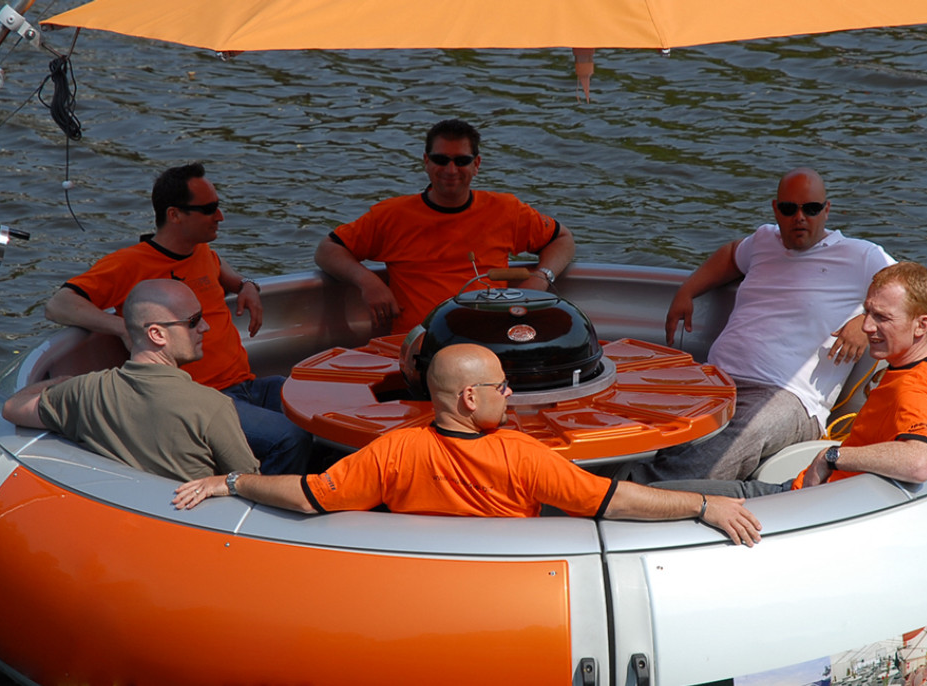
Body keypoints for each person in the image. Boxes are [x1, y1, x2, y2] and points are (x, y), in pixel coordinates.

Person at [173, 344, 764, 547]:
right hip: (519, 566)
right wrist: (702, 508)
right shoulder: (523, 455)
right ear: (468, 399)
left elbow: (307, 496)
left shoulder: (393, 451)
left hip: (439, 566)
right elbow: (617, 502)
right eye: (503, 386)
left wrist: (229, 482)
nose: (511, 394)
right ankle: (774, 492)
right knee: (656, 486)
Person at [654, 262, 927, 498]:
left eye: (882, 318)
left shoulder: (911, 388)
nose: (867, 327)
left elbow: (919, 461)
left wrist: (833, 456)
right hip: (835, 492)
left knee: (660, 495)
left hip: (806, 500)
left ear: (922, 326)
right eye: (867, 312)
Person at [629, 167, 895, 484]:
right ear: (775, 209)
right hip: (717, 377)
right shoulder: (763, 241)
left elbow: (917, 289)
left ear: (827, 210)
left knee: (736, 437)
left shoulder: (861, 255)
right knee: (642, 411)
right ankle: (617, 479)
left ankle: (640, 494)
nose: (800, 217)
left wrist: (869, 322)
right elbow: (730, 255)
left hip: (789, 395)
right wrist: (687, 291)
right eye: (789, 209)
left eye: (810, 209)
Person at [44, 162, 312, 475]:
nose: (220, 216)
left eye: (218, 206)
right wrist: (122, 327)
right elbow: (59, 304)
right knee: (290, 437)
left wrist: (246, 286)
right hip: (204, 398)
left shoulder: (201, 251)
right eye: (209, 209)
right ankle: (264, 510)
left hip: (248, 385)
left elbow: (223, 271)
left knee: (318, 409)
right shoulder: (129, 264)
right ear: (174, 215)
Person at [315, 119, 576, 334]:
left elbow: (562, 239)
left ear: (477, 165)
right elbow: (327, 250)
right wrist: (368, 281)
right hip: (418, 343)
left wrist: (542, 278)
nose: (451, 170)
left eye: (461, 161)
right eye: (441, 160)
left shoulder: (506, 210)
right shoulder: (391, 215)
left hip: (490, 338)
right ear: (426, 162)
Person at [3, 279, 260, 482]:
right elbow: (250, 484)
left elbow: (12, 407)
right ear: (157, 334)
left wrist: (60, 380)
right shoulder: (213, 407)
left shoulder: (85, 392)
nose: (205, 326)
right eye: (193, 321)